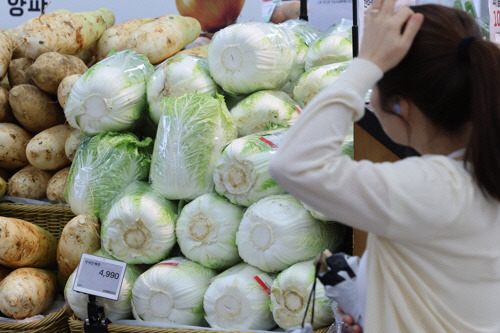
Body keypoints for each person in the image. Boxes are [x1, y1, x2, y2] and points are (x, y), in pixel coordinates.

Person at [269, 0, 500, 331]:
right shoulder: (474, 175)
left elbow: (293, 164)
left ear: (398, 105)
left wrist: (366, 63)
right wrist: (374, 306)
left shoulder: (429, 189)